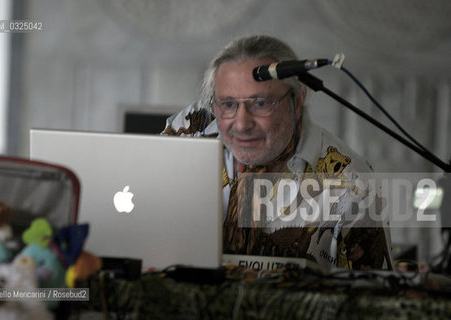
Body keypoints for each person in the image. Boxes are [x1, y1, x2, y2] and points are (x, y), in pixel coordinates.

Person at [162, 35, 393, 271]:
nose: (241, 124)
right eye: (228, 104)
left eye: (261, 103)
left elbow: (372, 296)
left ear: (297, 100)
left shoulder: (354, 184)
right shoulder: (191, 130)